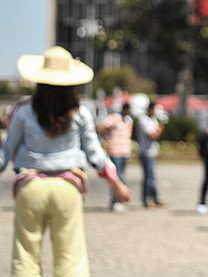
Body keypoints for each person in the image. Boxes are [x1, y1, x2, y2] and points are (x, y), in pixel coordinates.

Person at [0, 46, 132, 276]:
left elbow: (5, 152)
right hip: (67, 187)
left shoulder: (22, 112)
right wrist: (117, 184)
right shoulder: (79, 113)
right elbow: (96, 155)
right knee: (70, 258)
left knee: (25, 257)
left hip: (30, 187)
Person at [97, 102, 134, 212]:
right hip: (115, 151)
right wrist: (107, 139)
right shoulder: (114, 118)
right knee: (116, 177)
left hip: (124, 151)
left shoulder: (129, 120)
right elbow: (101, 127)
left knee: (122, 176)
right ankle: (115, 201)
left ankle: (120, 200)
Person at [137, 101, 164, 208]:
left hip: (153, 151)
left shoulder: (153, 119)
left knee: (153, 177)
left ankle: (155, 198)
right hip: (145, 152)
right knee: (148, 177)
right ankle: (146, 199)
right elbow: (152, 135)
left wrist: (158, 131)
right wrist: (159, 130)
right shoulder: (144, 120)